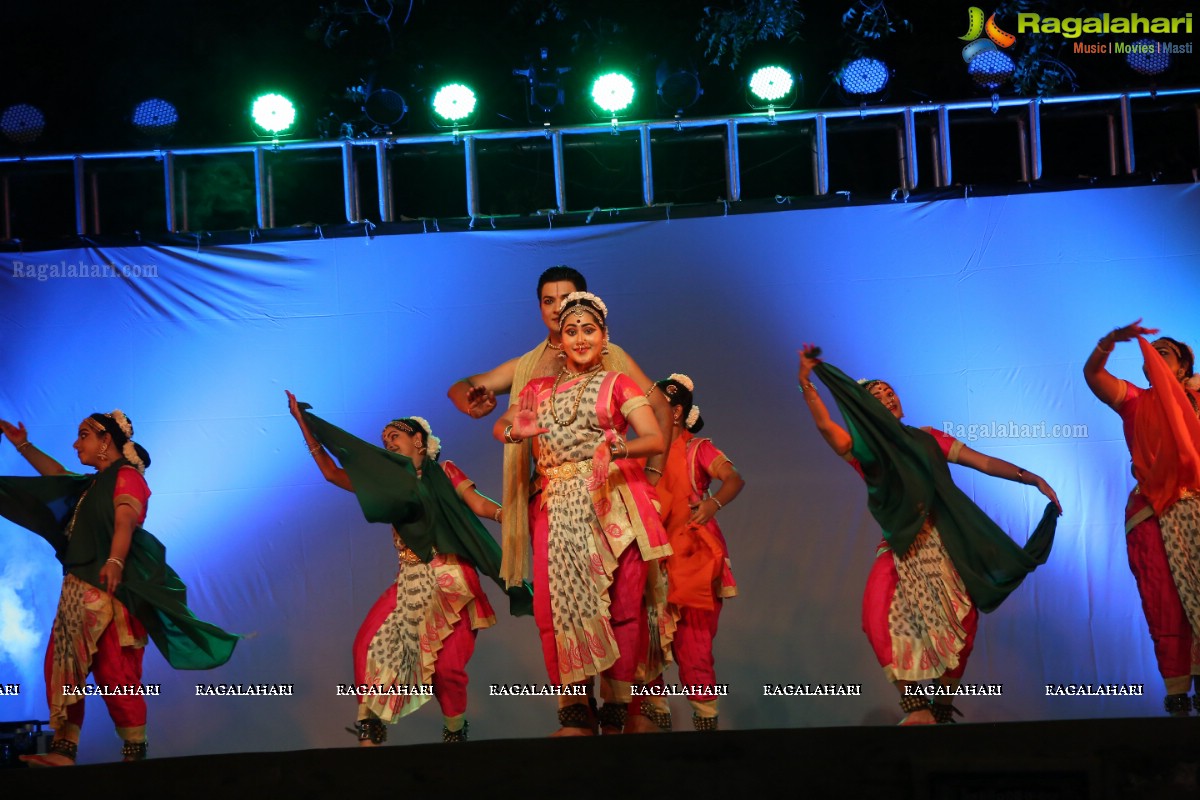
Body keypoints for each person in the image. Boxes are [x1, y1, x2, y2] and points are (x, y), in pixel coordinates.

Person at [796, 347, 1060, 724]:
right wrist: (806, 382)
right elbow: (827, 429)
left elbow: (981, 461)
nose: (888, 397)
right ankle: (916, 706)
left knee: (960, 625)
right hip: (901, 546)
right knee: (877, 616)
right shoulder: (865, 449)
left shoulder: (927, 438)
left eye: (890, 392)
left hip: (946, 542)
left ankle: (939, 708)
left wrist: (1029, 476)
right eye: (877, 396)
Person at [286, 392, 532, 743]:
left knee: (448, 670)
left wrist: (502, 513)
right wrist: (304, 425)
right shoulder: (390, 487)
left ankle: (454, 733)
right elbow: (332, 474)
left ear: (419, 440)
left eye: (394, 436)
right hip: (410, 581)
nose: (388, 443)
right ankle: (370, 728)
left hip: (453, 581)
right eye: (384, 440)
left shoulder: (444, 472)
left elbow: (475, 501)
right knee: (367, 646)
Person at [0, 412, 239, 765]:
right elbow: (54, 475)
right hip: (77, 589)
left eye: (84, 436)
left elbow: (125, 519)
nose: (75, 443)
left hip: (113, 591)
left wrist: (114, 560)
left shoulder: (126, 477)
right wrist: (22, 444)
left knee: (115, 674)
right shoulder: (90, 484)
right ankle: (64, 751)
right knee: (62, 665)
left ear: (105, 440)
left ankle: (134, 755)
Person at [493, 291, 669, 735]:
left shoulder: (618, 384)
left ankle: (616, 706)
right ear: (561, 339)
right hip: (554, 508)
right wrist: (515, 429)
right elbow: (505, 424)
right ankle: (574, 708)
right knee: (555, 610)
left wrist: (617, 448)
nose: (579, 337)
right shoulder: (535, 389)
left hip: (610, 504)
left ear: (604, 336)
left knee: (622, 606)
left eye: (588, 329)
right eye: (570, 331)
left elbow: (655, 437)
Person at [446, 266, 669, 592]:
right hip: (552, 500)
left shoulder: (614, 357)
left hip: (610, 497)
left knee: (621, 604)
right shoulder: (527, 367)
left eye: (565, 298)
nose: (557, 306)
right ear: (540, 308)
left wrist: (653, 477)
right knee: (560, 603)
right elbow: (462, 387)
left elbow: (660, 408)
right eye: (548, 300)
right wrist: (474, 405)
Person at [1082, 320, 1200, 715]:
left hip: (1196, 505)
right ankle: (1179, 701)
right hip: (1151, 512)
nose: (1153, 355)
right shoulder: (1134, 399)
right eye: (1153, 353)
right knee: (1165, 603)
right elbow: (1094, 375)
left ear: (1183, 368)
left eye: (1164, 352)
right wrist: (1108, 341)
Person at [643, 373, 743, 732]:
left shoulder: (697, 449)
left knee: (693, 642)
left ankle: (706, 723)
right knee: (645, 639)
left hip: (692, 554)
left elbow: (733, 478)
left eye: (659, 406)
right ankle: (652, 717)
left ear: (676, 413)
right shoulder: (642, 452)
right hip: (653, 554)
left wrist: (712, 504)